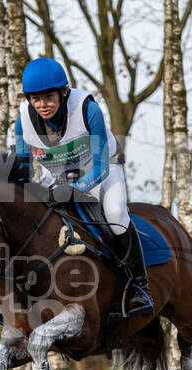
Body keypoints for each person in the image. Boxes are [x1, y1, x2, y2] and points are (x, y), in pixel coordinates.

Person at [14, 56, 153, 315]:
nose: (42, 105)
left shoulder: (88, 109)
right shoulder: (23, 121)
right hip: (56, 174)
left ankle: (139, 286)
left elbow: (100, 168)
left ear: (63, 93)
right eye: (35, 99)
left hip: (101, 169)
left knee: (115, 214)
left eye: (48, 98)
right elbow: (22, 170)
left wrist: (75, 189)